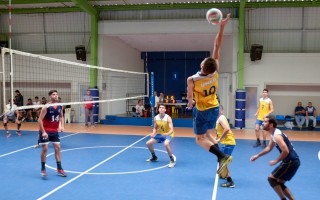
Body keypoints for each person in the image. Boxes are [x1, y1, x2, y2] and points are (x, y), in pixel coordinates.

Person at [186, 13, 232, 176]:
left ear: (202, 65)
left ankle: (222, 156)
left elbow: (190, 98)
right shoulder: (215, 72)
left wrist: (190, 102)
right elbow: (217, 45)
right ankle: (221, 158)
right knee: (209, 134)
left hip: (203, 110)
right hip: (215, 107)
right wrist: (222, 26)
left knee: (199, 139)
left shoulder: (192, 79)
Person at [250, 116, 300, 200]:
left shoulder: (277, 136)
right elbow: (269, 148)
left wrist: (276, 161)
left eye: (265, 122)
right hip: (292, 161)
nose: (263, 123)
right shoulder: (274, 134)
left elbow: (286, 151)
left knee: (271, 179)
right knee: (279, 183)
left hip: (290, 161)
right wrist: (257, 155)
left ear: (271, 125)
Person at [38, 90, 67, 177]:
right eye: (53, 94)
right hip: (45, 131)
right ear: (50, 96)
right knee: (45, 148)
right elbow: (39, 120)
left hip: (54, 131)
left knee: (58, 148)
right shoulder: (46, 107)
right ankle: (43, 169)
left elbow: (61, 116)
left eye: (57, 94)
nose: (56, 96)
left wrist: (62, 126)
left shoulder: (60, 106)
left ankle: (59, 168)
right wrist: (43, 132)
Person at [216, 105, 236, 188]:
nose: (217, 111)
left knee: (224, 162)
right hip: (226, 142)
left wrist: (219, 139)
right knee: (222, 161)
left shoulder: (221, 118)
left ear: (222, 110)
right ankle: (223, 174)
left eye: (219, 109)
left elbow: (227, 129)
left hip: (228, 143)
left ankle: (230, 181)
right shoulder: (219, 119)